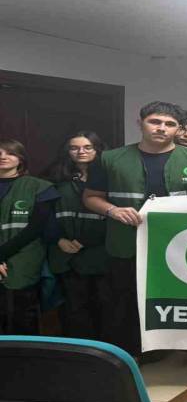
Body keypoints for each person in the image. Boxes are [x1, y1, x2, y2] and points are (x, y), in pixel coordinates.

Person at [82, 101, 187, 356]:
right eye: (155, 122)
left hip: (179, 245)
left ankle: (177, 350)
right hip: (126, 244)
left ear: (178, 129)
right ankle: (128, 353)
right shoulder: (110, 159)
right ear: (140, 123)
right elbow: (90, 197)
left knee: (176, 299)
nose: (162, 128)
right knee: (124, 300)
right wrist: (113, 210)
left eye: (170, 124)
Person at [46, 131, 109, 340]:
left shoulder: (111, 176)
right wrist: (58, 239)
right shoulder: (55, 178)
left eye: (87, 147)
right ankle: (78, 351)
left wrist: (84, 241)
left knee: (103, 304)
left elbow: (116, 214)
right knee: (73, 307)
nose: (81, 152)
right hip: (66, 253)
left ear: (98, 150)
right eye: (74, 148)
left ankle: (104, 351)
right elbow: (43, 214)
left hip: (100, 252)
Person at [0, 139, 60, 335]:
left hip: (25, 256)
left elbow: (36, 228)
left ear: (21, 159)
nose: (3, 157)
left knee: (22, 314)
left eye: (10, 153)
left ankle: (24, 353)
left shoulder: (39, 187)